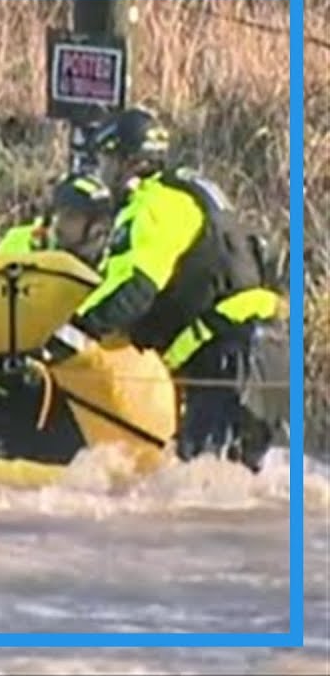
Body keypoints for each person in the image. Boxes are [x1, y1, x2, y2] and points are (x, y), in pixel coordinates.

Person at [33, 107, 287, 473]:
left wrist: (61, 337)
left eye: (106, 162)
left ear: (127, 163)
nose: (103, 174)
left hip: (229, 357)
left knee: (204, 490)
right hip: (264, 351)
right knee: (237, 483)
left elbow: (133, 288)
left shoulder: (152, 204)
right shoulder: (187, 194)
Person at [0, 172, 117, 461]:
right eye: (66, 217)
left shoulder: (111, 267)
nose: (96, 232)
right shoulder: (19, 247)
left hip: (65, 398)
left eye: (76, 220)